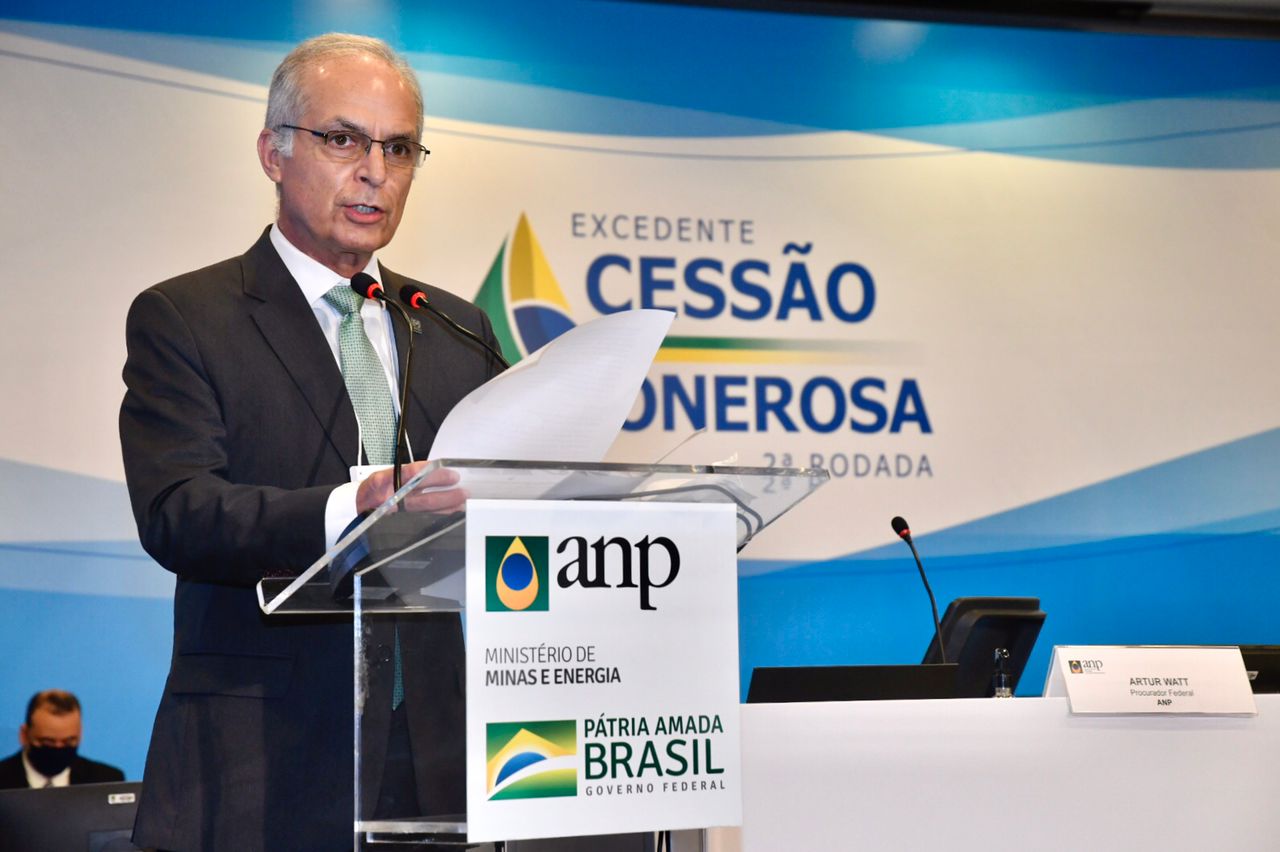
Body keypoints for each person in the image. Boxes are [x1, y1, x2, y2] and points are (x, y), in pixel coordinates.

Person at [119, 33, 503, 850]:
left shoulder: (453, 326)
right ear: (273, 153)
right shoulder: (188, 317)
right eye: (342, 139)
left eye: (398, 148)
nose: (375, 171)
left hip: (432, 755)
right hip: (261, 757)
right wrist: (352, 508)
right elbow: (178, 511)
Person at [0, 690, 125, 789]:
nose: (58, 748)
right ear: (24, 735)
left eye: (68, 741)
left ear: (80, 734)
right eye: (48, 741)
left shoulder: (107, 781)